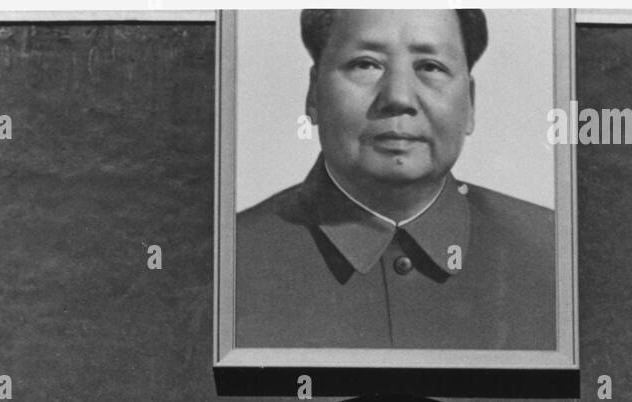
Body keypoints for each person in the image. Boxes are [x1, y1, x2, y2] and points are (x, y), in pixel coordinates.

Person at [236, 9, 555, 351]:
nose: (398, 98)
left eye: (430, 67)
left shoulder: (555, 254)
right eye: (365, 64)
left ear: (470, 104)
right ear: (313, 93)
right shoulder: (228, 259)